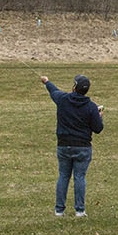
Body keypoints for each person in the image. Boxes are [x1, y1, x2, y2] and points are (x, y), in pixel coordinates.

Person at [42, 74, 104, 217]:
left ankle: (59, 210)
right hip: (83, 147)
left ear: (74, 87)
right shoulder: (91, 107)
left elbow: (54, 91)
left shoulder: (63, 100)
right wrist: (98, 117)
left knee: (63, 176)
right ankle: (80, 211)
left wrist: (47, 82)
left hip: (63, 145)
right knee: (79, 177)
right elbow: (98, 128)